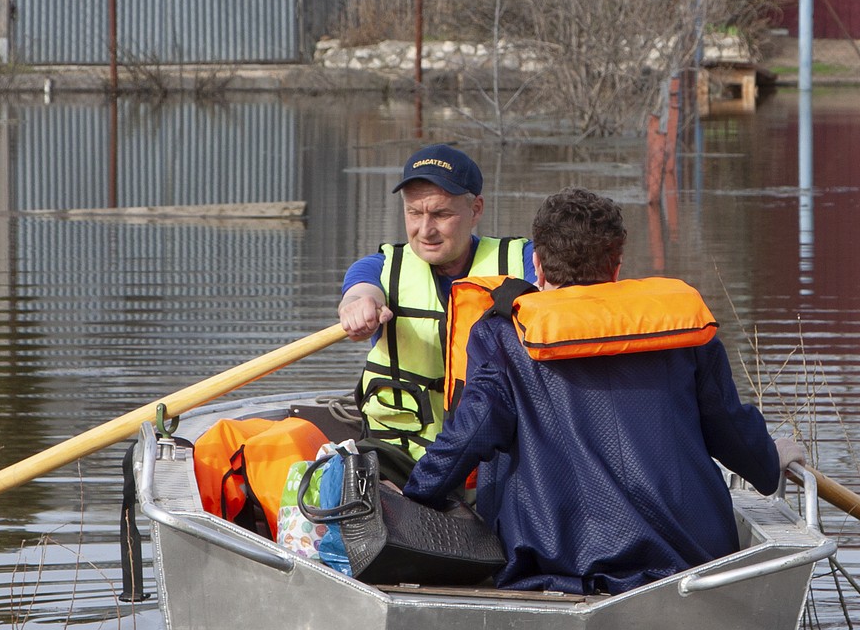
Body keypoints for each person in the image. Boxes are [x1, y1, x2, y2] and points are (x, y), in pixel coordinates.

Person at [403, 187, 806, 594]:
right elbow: (729, 429)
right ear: (617, 268)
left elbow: (474, 428)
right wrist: (769, 459)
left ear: (538, 267)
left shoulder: (501, 334)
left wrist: (413, 496)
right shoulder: (682, 330)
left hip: (557, 563)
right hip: (690, 557)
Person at [339, 144, 534, 478]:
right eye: (414, 213)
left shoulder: (525, 262)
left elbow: (563, 303)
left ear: (475, 210)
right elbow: (359, 292)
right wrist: (359, 308)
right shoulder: (379, 268)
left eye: (441, 214)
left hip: (496, 464)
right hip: (401, 461)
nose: (425, 230)